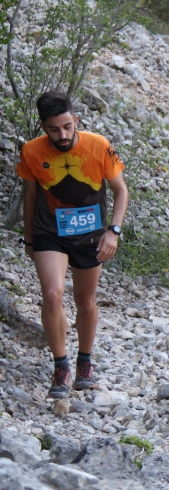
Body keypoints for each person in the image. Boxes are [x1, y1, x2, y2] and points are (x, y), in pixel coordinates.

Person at [18, 91, 129, 399]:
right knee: (52, 295)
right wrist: (29, 238)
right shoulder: (30, 151)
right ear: (43, 127)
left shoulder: (99, 145)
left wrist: (113, 232)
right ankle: (60, 364)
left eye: (67, 126)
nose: (62, 135)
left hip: (91, 235)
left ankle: (84, 362)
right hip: (49, 231)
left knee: (85, 301)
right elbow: (30, 196)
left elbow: (121, 191)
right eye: (54, 129)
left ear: (75, 120)